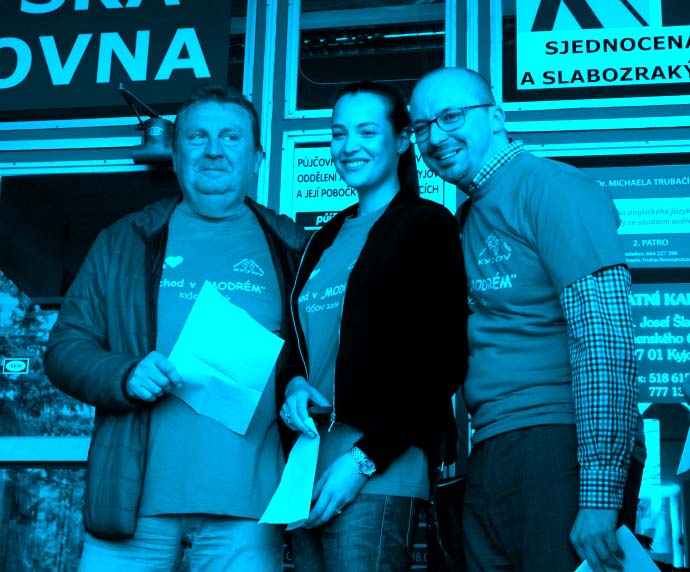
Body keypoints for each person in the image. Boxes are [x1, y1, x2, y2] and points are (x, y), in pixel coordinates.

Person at [44, 83, 307, 572]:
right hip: (132, 508)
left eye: (231, 137)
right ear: (175, 153)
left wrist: (299, 385)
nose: (213, 150)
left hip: (249, 516)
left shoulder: (295, 247)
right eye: (197, 136)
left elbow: (318, 359)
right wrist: (123, 374)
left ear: (257, 156)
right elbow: (63, 348)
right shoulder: (123, 240)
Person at [410, 67, 645, 572]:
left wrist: (599, 495)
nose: (435, 137)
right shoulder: (470, 214)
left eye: (451, 116)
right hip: (493, 446)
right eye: (421, 126)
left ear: (496, 117)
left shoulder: (555, 188)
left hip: (559, 442)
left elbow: (603, 337)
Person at [277, 80, 468, 572]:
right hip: (309, 467)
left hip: (379, 469)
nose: (349, 146)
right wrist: (294, 383)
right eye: (339, 133)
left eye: (366, 131)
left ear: (402, 140)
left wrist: (364, 459)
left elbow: (443, 362)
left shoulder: (426, 225)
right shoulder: (324, 237)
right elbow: (300, 344)